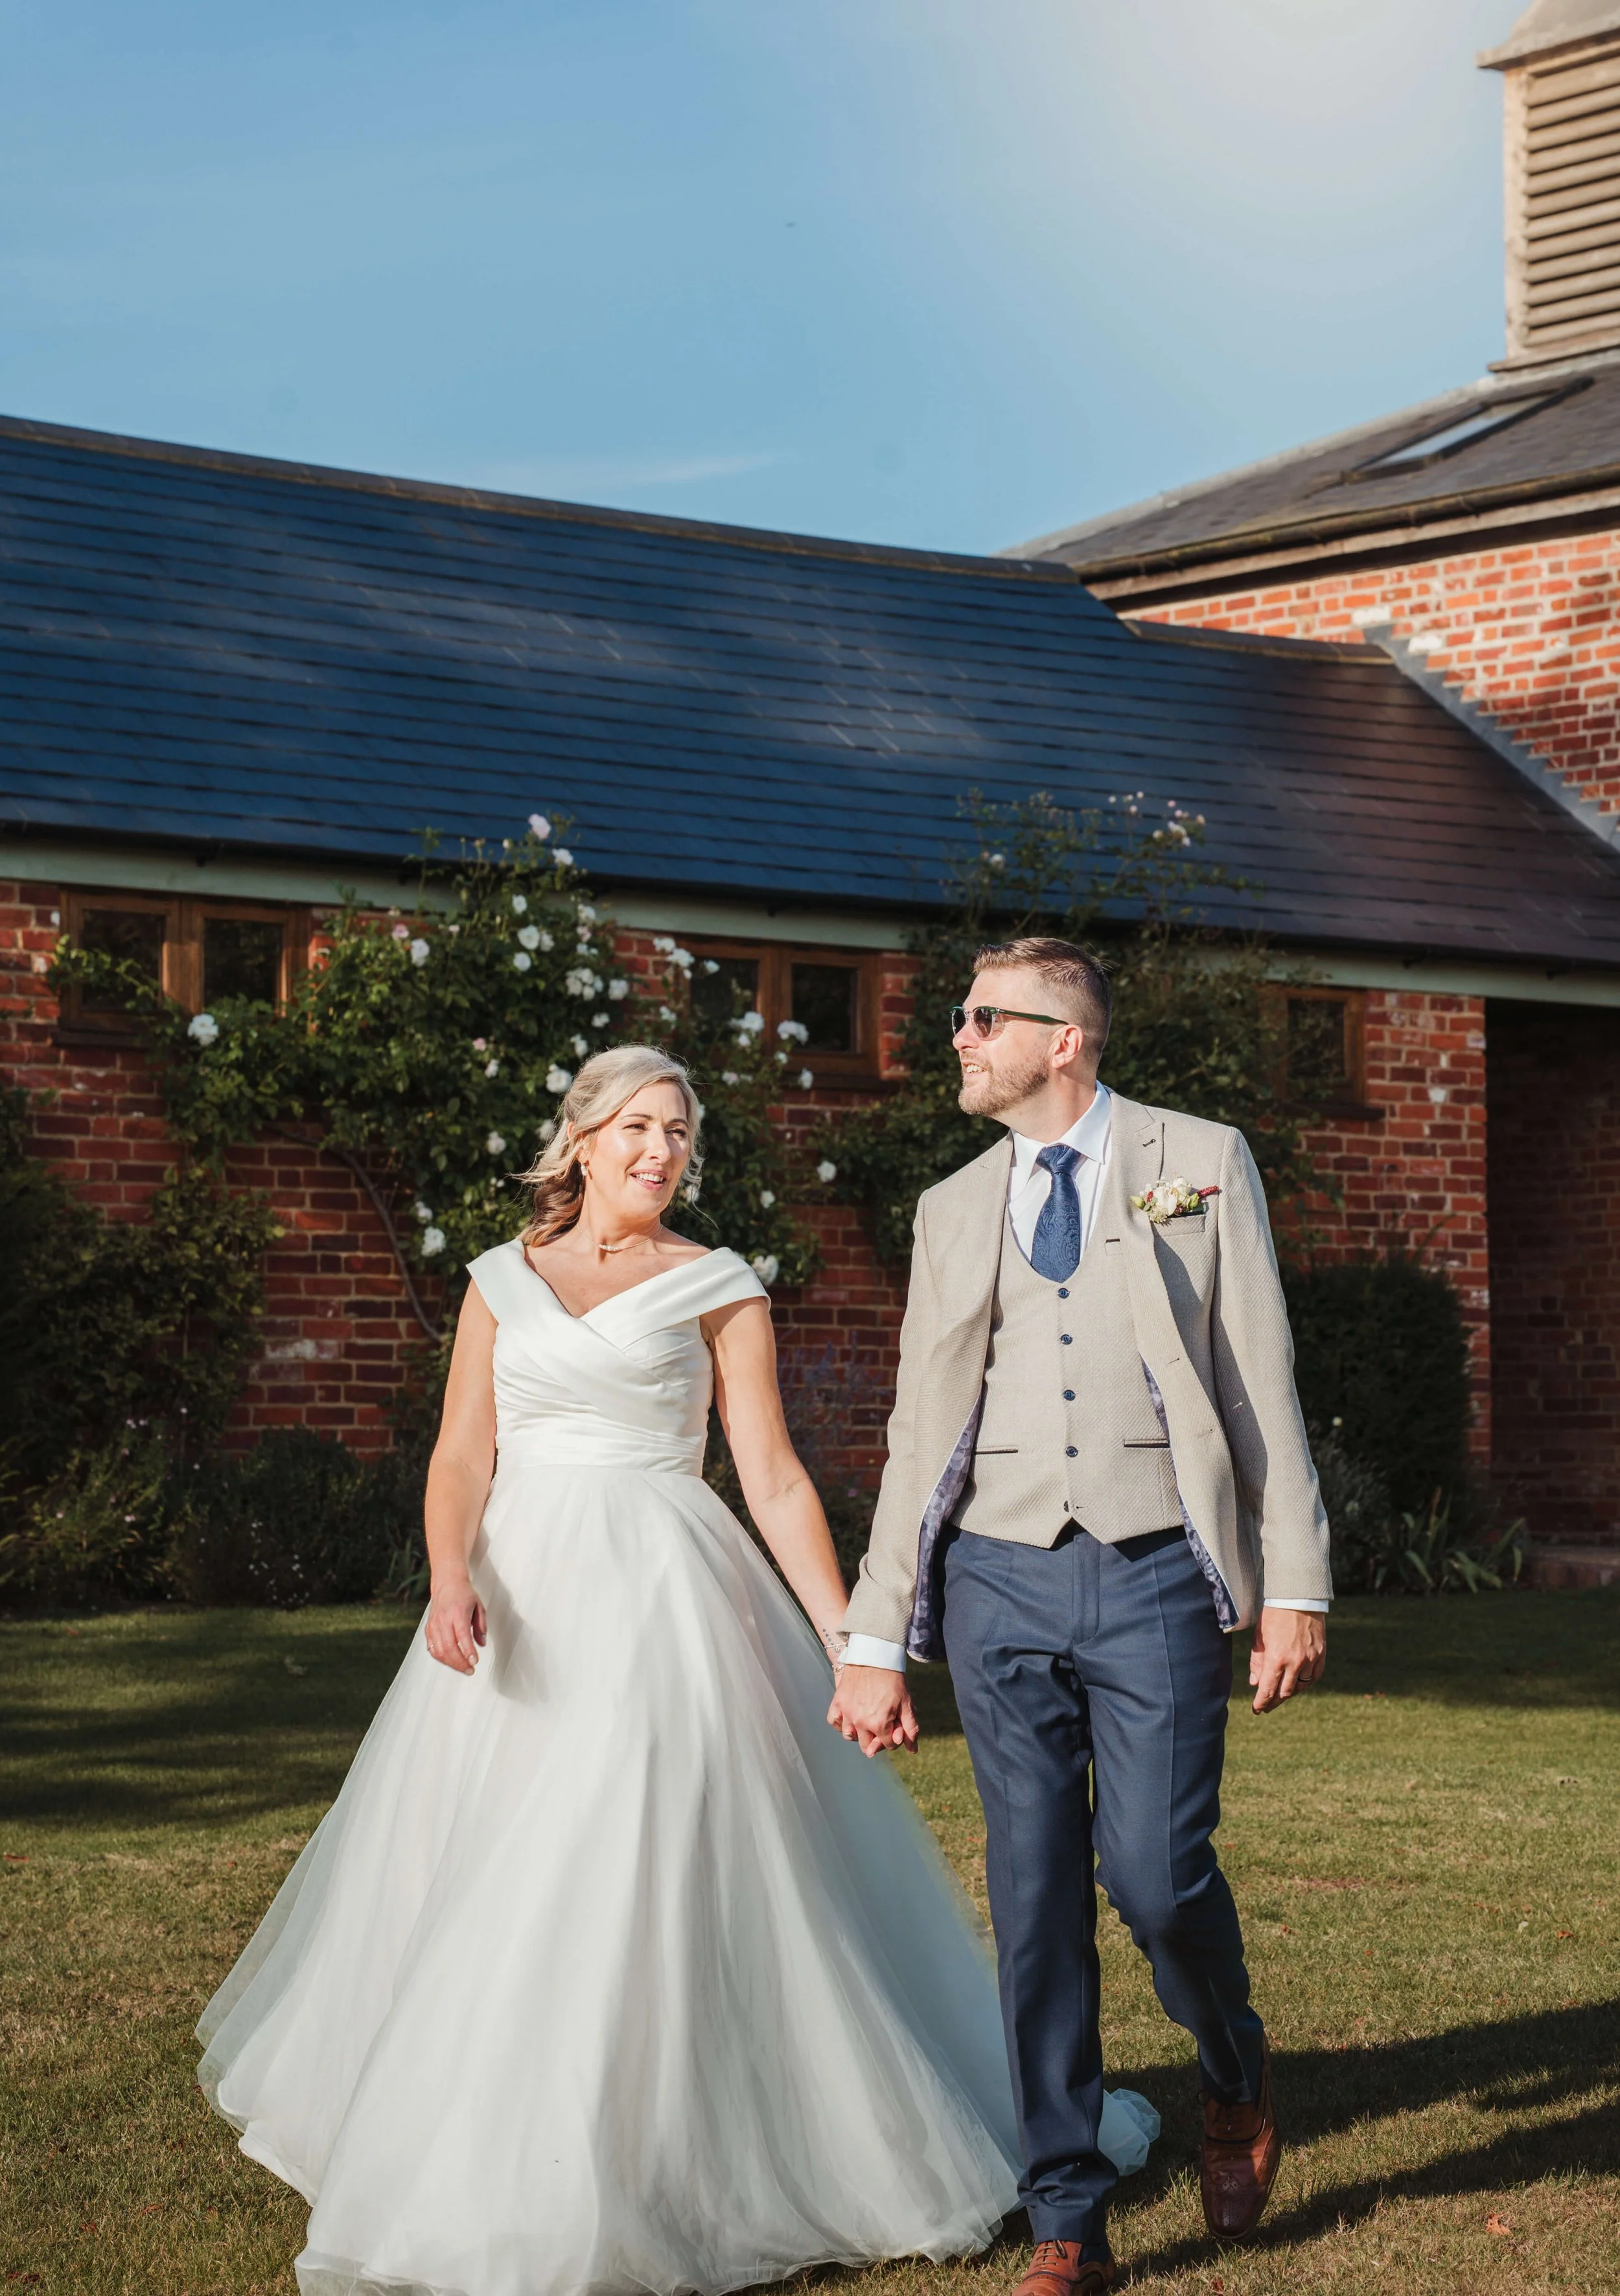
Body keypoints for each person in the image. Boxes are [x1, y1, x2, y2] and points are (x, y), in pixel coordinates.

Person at [203, 1042, 1102, 2296]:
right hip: (519, 1596)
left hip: (665, 1596)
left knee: (625, 1841)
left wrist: (859, 1640)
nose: (658, 1151)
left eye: (677, 1132)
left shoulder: (719, 1284)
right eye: (634, 1127)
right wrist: (450, 1573)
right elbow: (463, 1452)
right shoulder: (499, 1281)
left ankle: (653, 2149)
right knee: (478, 1859)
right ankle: (475, 2130)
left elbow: (774, 1477)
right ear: (578, 1140)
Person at [829, 938, 1332, 2296]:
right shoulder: (948, 1205)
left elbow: (1256, 1379)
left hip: (1154, 1564)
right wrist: (876, 1636)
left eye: (981, 1017)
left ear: (1064, 1038)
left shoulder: (1198, 1157)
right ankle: (1067, 2212)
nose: (957, 1037)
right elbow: (913, 1427)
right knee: (1034, 1886)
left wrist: (1291, 1579)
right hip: (994, 1574)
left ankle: (1232, 2075)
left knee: (1157, 1877)